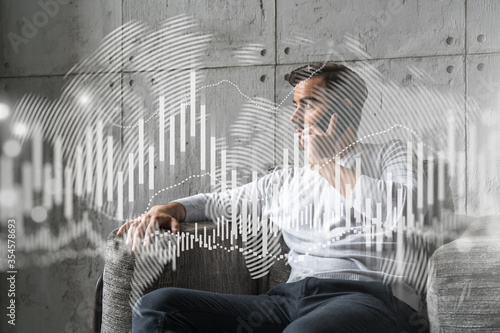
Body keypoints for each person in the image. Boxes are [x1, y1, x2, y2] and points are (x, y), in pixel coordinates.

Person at [117, 62, 428, 333]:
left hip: (371, 299)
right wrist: (171, 208)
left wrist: (326, 166)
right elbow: (218, 202)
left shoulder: (393, 154)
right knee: (157, 308)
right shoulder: (285, 180)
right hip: (289, 300)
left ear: (344, 107)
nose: (294, 119)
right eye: (295, 106)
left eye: (307, 104)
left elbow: (405, 212)